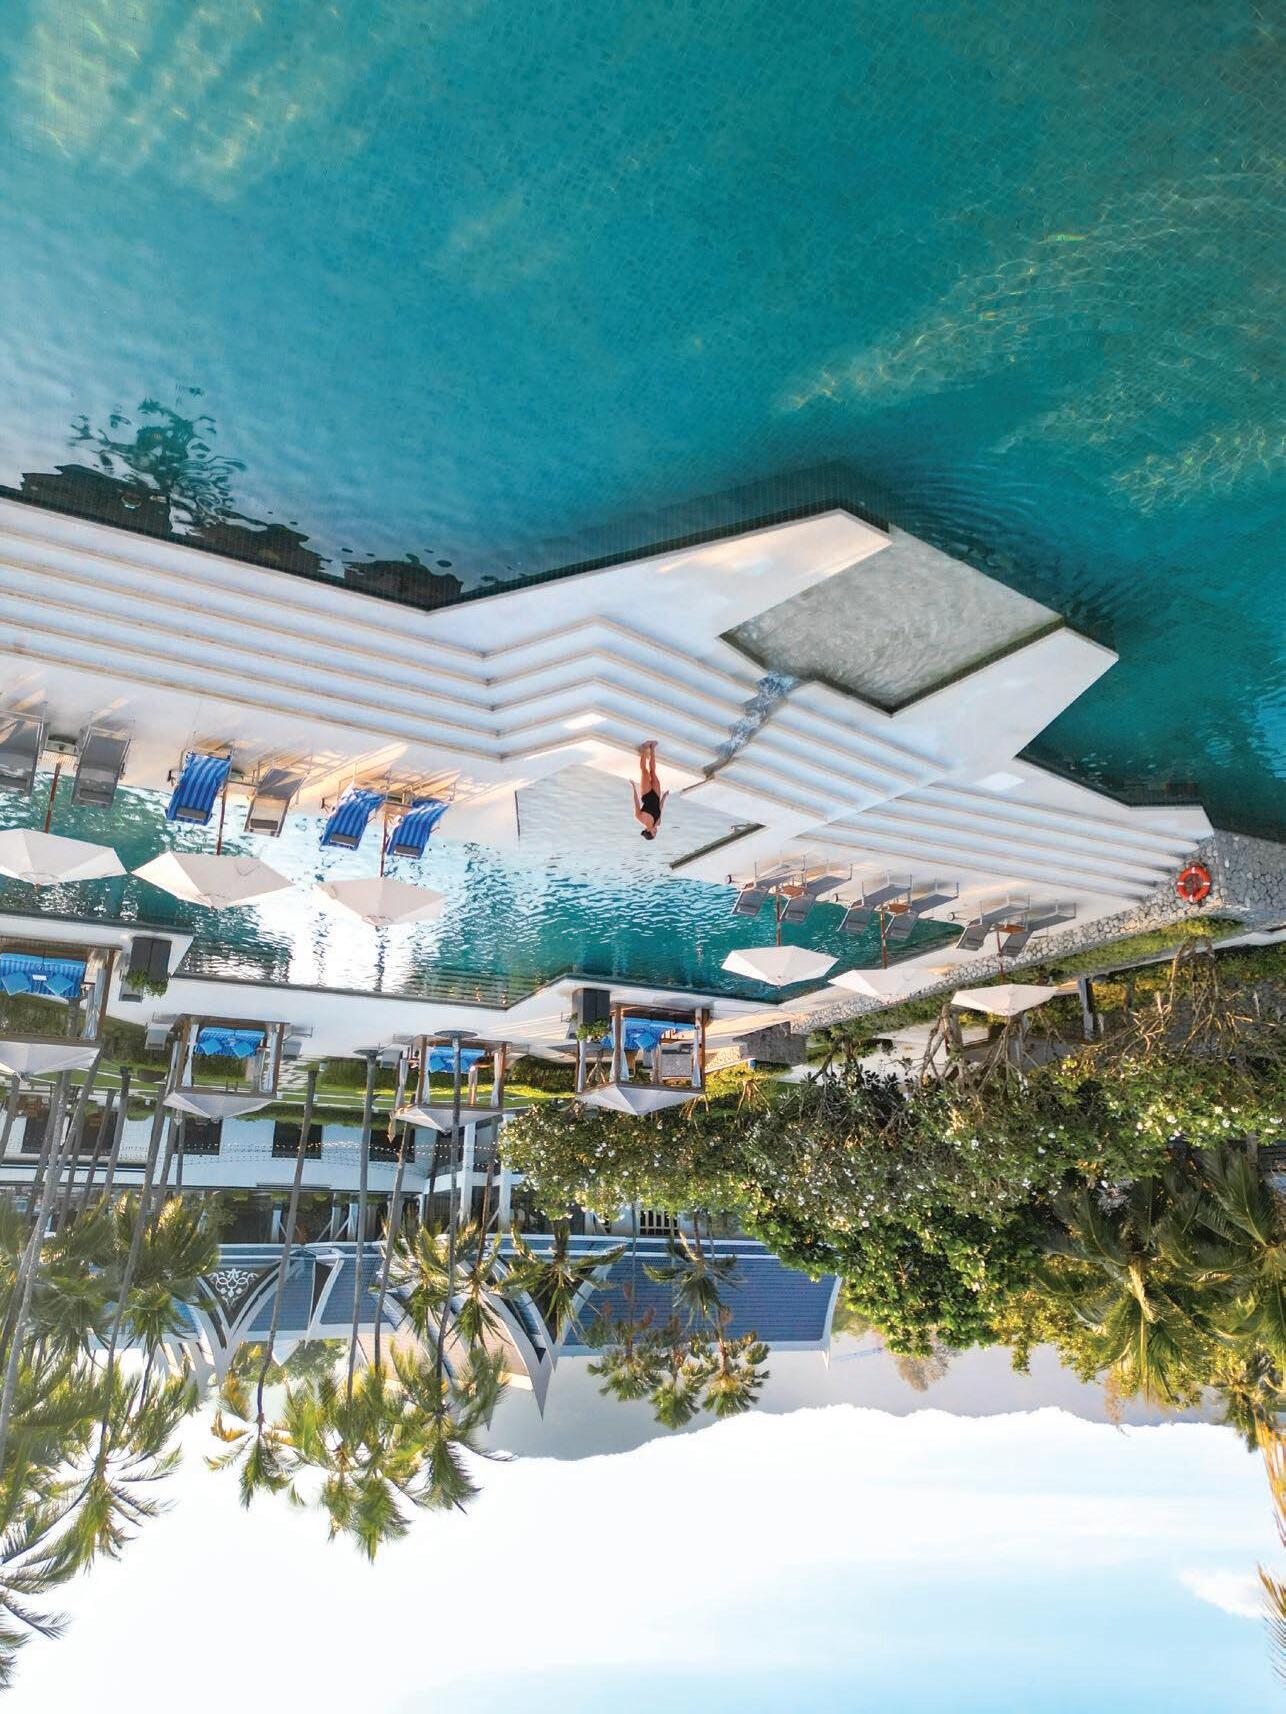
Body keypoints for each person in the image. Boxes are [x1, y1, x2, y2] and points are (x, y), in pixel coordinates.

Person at [632, 740, 668, 839]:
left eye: (653, 833)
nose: (656, 832)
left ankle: (644, 748)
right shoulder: (658, 822)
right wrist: (664, 796)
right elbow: (660, 808)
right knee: (653, 772)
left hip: (646, 794)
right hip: (656, 795)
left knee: (644, 771)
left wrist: (634, 787)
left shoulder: (640, 818)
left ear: (648, 831)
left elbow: (636, 802)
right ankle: (652, 748)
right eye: (655, 833)